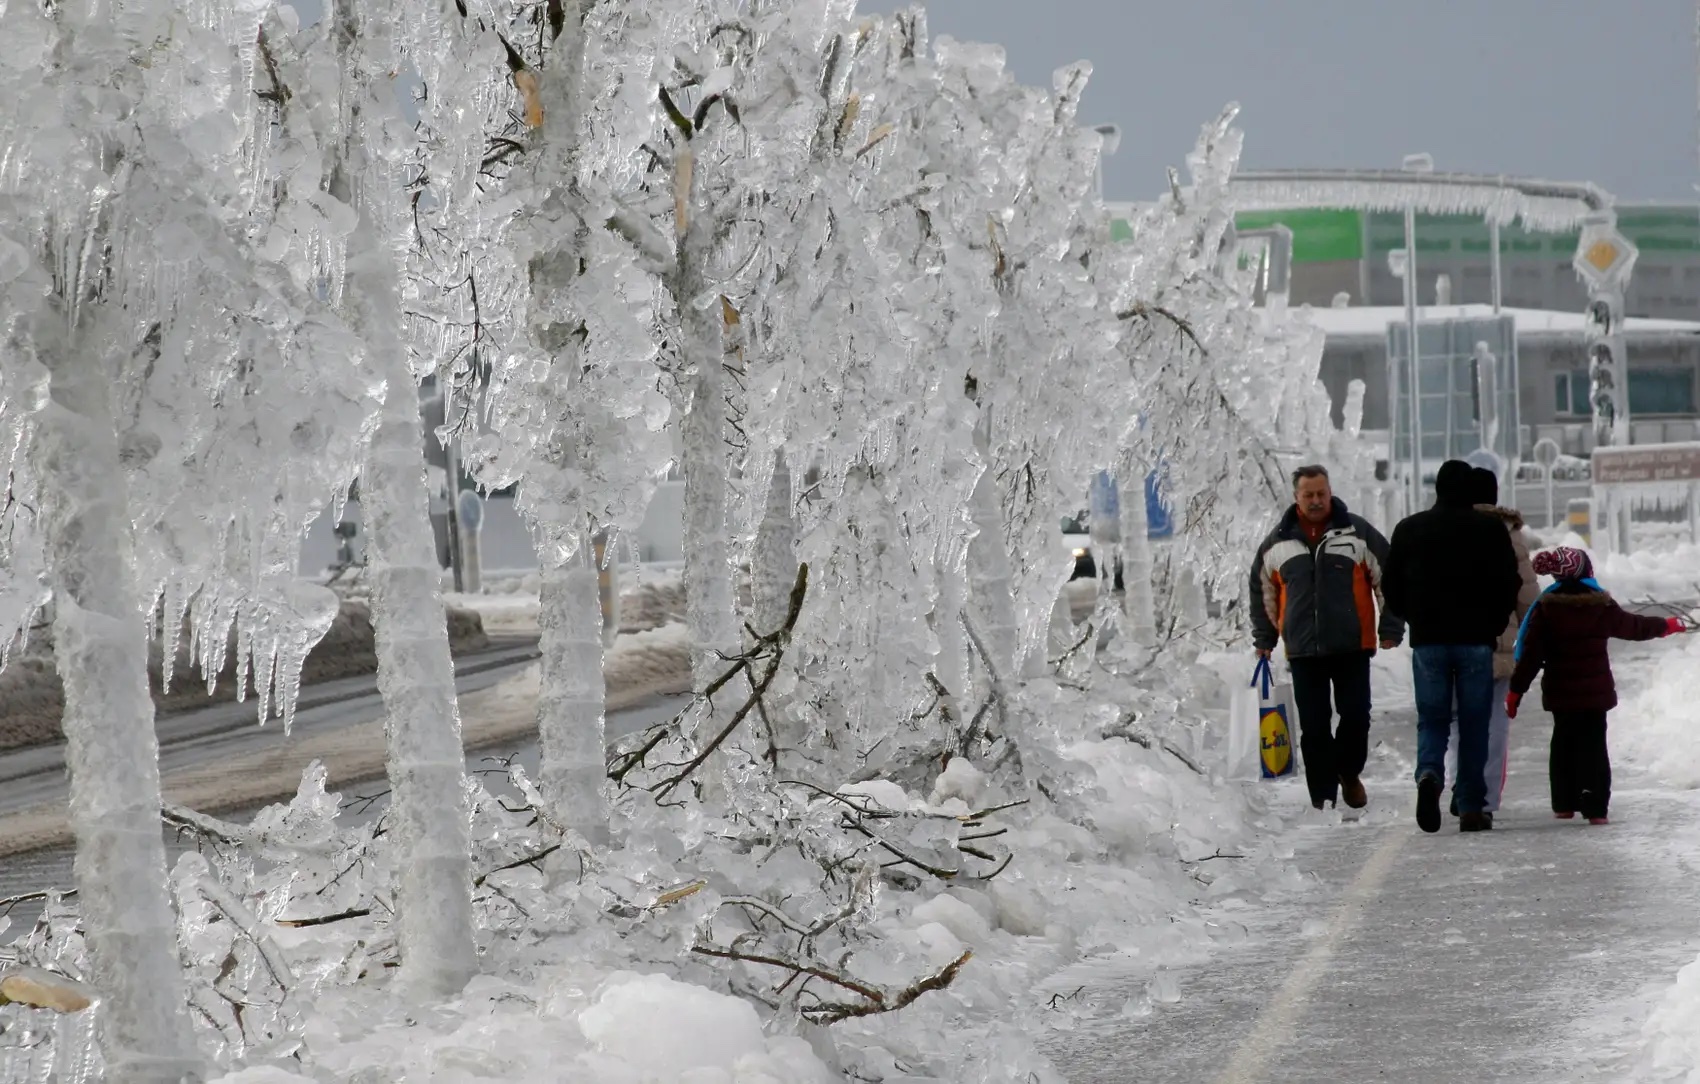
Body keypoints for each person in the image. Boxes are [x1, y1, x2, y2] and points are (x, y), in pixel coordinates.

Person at [1249, 465, 1403, 811]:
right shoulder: (1278, 543)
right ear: (1296, 497)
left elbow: (1389, 578)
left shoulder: (1357, 533)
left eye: (1321, 493)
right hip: (1304, 650)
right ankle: (1322, 798)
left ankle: (1349, 773)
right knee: (1314, 727)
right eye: (1309, 495)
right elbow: (1262, 591)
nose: (1316, 501)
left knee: (1355, 716)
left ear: (1330, 491)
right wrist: (1266, 636)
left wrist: (1391, 626)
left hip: (1352, 645)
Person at [1381, 459, 1521, 834]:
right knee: (1476, 724)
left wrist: (1413, 618)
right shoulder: (1489, 529)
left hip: (1428, 642)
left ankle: (1429, 773)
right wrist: (1492, 625)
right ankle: (1473, 805)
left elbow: (1390, 585)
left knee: (1433, 720)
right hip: (1476, 642)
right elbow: (1510, 583)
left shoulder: (1410, 529)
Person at [1507, 546, 1688, 824]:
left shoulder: (1547, 609)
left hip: (1561, 693)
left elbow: (1531, 655)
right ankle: (1596, 809)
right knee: (1594, 746)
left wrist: (1516, 691)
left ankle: (1565, 804)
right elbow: (1633, 626)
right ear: (1586, 572)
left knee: (1564, 743)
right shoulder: (1600, 605)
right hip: (1595, 695)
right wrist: (1665, 625)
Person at [1443, 466, 1538, 819]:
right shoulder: (1510, 536)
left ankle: (1460, 783)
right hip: (1501, 640)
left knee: (1457, 718)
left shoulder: (1451, 529)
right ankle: (1483, 798)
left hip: (1455, 636)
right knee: (1495, 721)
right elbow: (1529, 596)